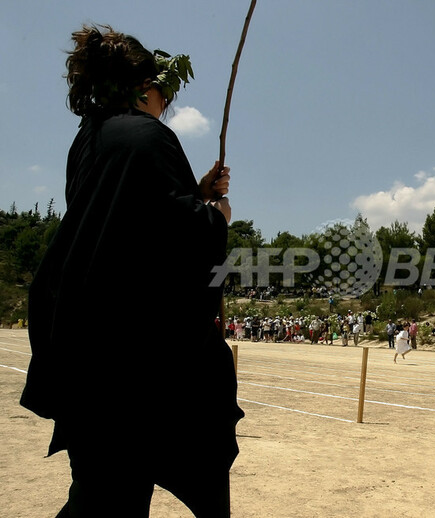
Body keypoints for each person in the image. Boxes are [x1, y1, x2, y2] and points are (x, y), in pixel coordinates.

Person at [19, 25, 243, 517]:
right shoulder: (148, 136)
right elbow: (173, 236)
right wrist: (216, 217)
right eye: (165, 94)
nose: (167, 104)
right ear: (145, 88)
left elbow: (125, 224)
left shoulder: (89, 139)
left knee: (103, 491)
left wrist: (195, 193)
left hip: (81, 344)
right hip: (129, 362)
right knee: (111, 498)